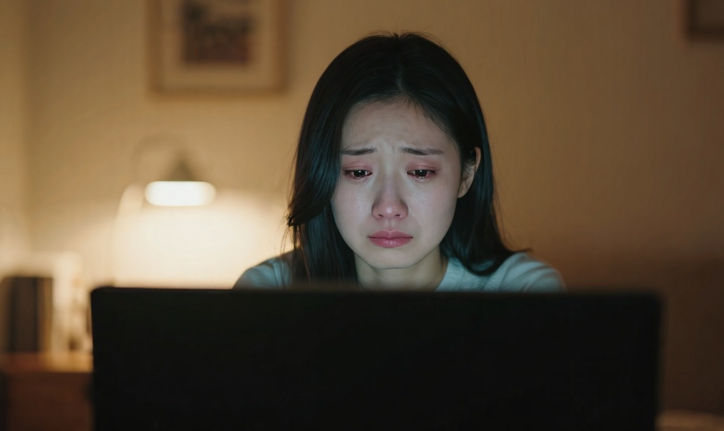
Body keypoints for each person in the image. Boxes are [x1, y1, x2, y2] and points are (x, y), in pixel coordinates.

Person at [235, 33, 563, 291]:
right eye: (358, 172)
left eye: (420, 172)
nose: (389, 207)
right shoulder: (268, 292)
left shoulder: (523, 292)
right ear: (321, 172)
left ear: (467, 174)